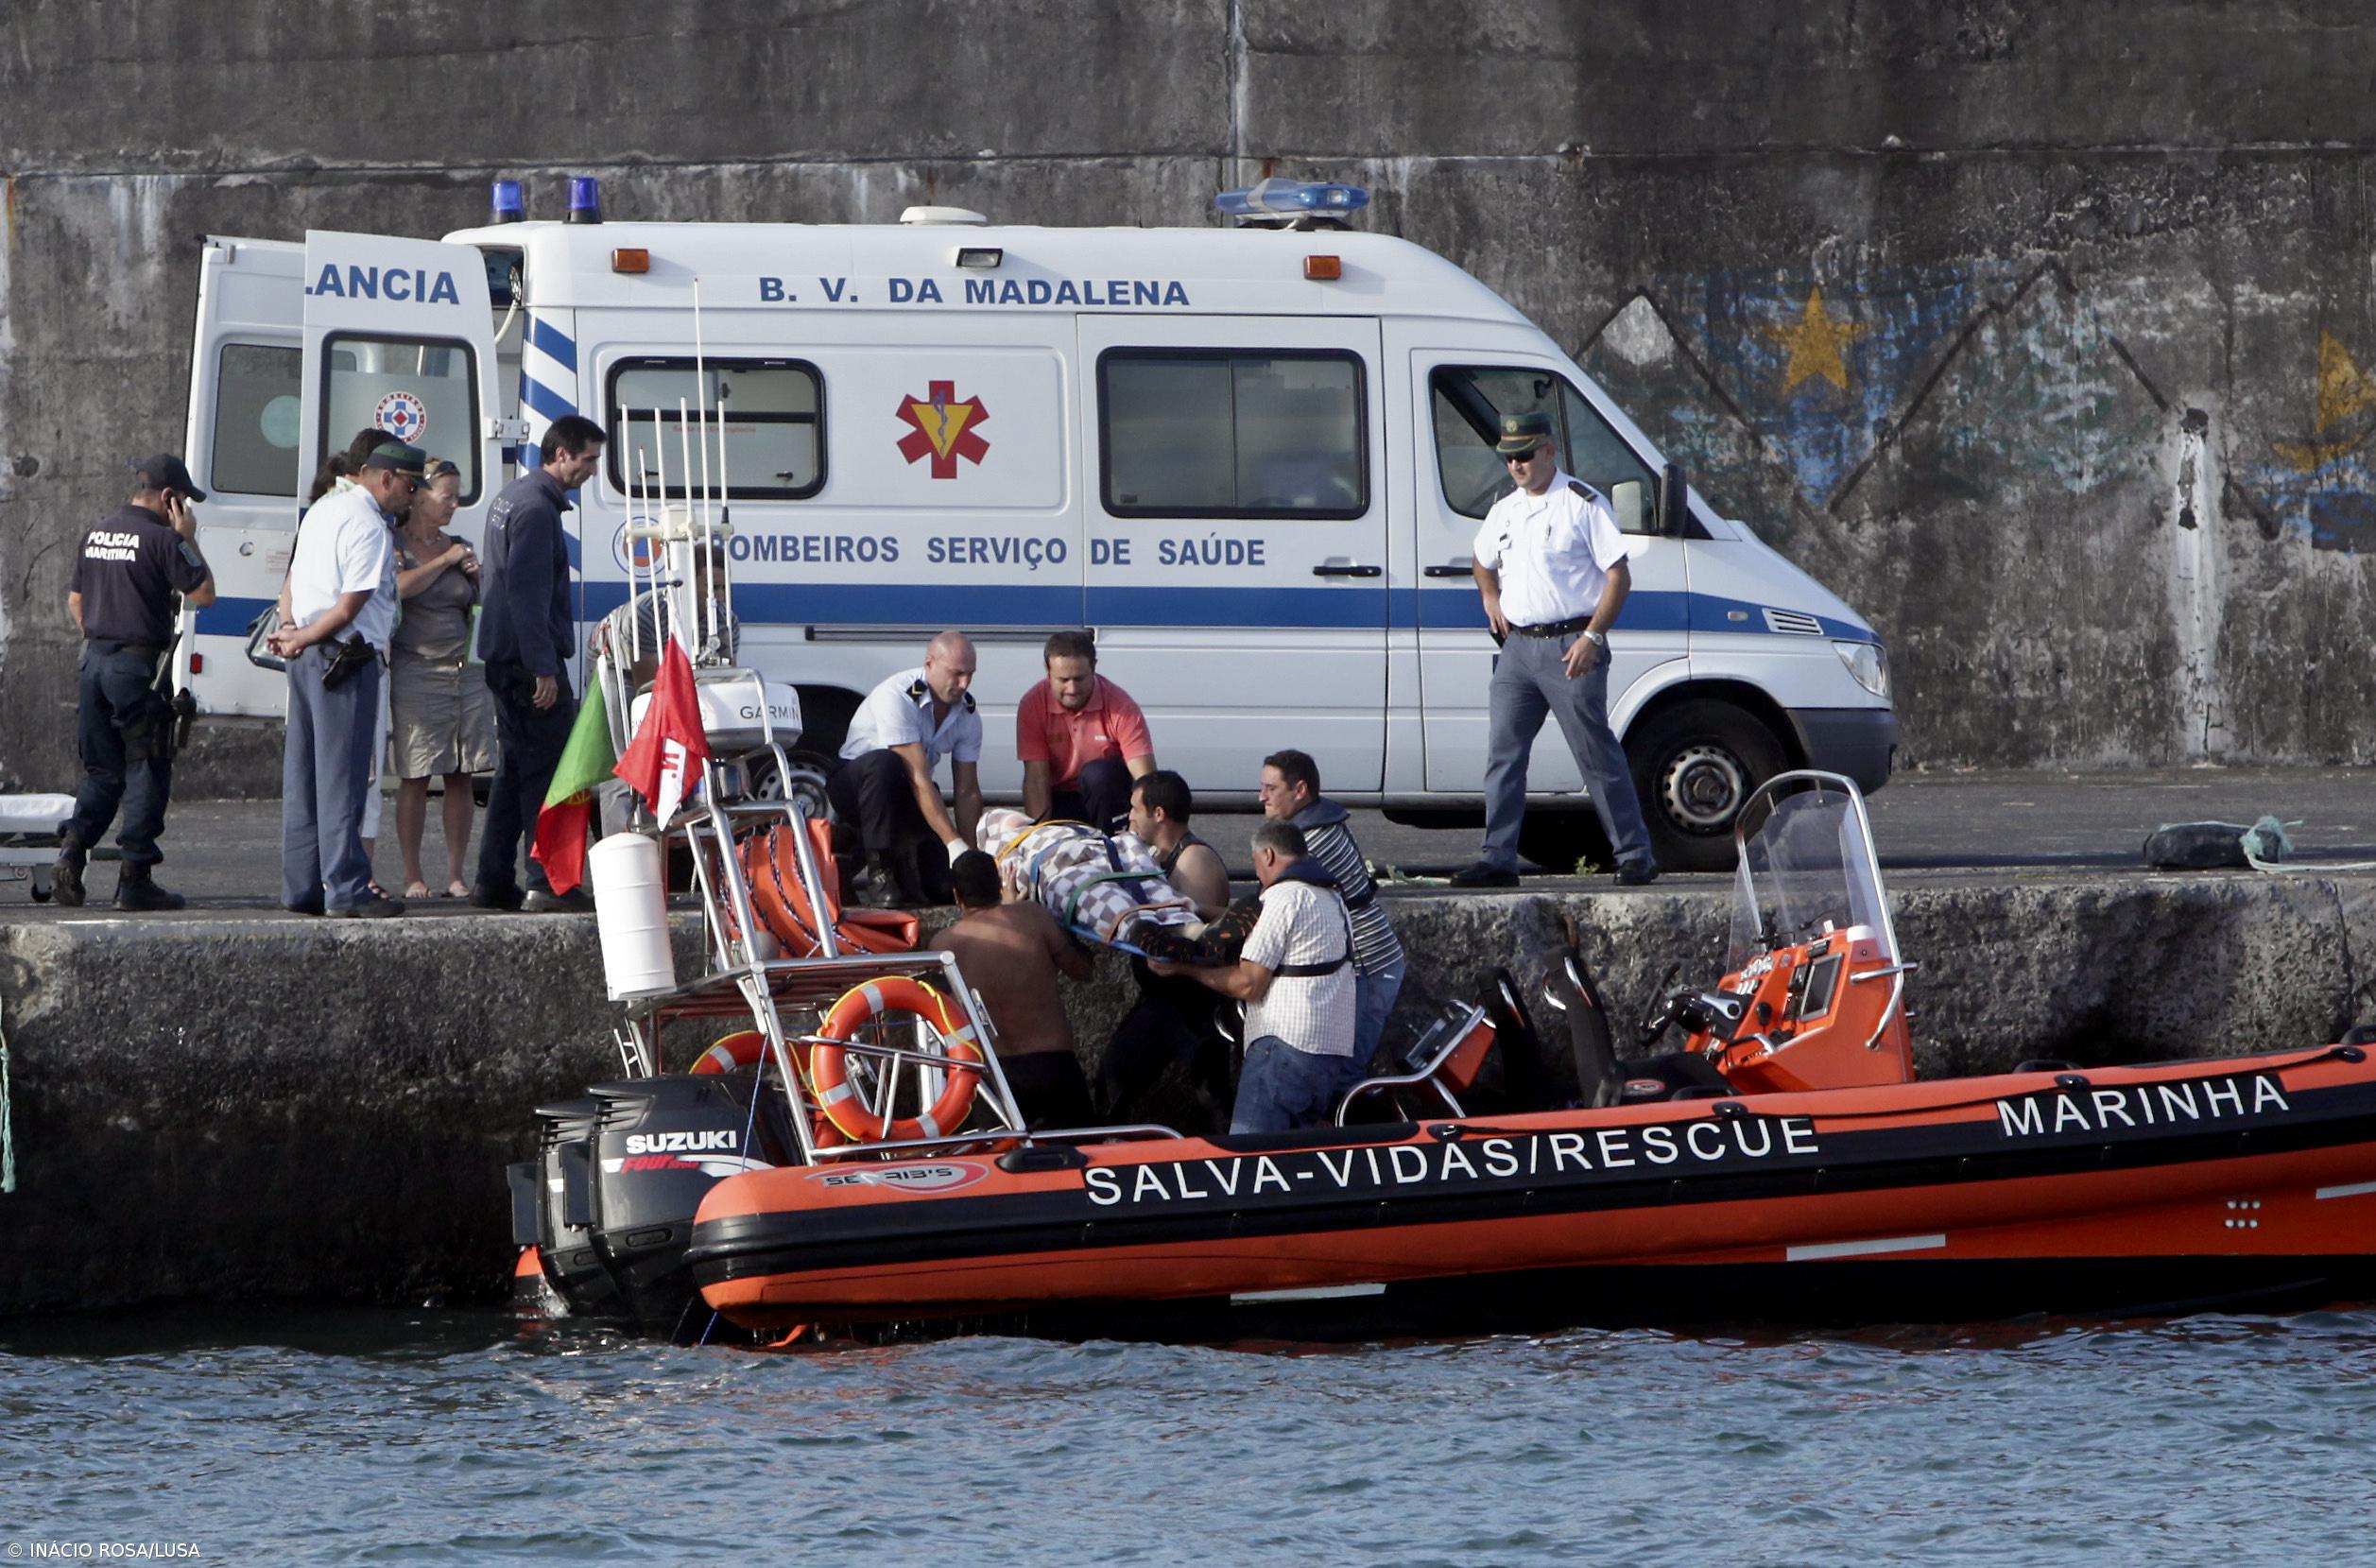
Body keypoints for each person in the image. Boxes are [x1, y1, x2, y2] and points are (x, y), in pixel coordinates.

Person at [1455, 408, 1659, 888]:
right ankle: (1498, 858)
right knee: (1503, 754)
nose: (1515, 467)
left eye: (1524, 456)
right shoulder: (1505, 508)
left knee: (1595, 753)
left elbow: (1618, 575)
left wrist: (1593, 636)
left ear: (1549, 451)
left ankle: (1635, 853)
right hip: (1519, 647)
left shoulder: (1582, 503)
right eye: (1508, 458)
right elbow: (1482, 561)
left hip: (1572, 644)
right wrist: (1490, 597)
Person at [55, 455, 217, 911]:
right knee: (147, 765)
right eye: (182, 500)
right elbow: (204, 594)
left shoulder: (95, 533)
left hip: (94, 664)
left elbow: (75, 602)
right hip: (136, 667)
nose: (184, 508)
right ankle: (135, 878)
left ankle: (72, 852)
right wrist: (188, 540)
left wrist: (102, 637)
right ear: (169, 497)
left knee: (103, 772)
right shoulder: (164, 539)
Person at [269, 442, 416, 918]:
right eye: (410, 486)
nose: (411, 497)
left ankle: (303, 886)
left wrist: (291, 631)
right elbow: (352, 602)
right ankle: (348, 887)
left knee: (305, 777)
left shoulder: (322, 510)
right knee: (343, 779)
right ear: (385, 478)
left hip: (307, 656)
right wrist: (305, 635)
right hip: (345, 659)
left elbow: (291, 579)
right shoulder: (368, 524)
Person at [474, 415, 607, 913]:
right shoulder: (536, 511)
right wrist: (544, 668)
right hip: (527, 665)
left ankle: (492, 879)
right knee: (548, 775)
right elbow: (526, 597)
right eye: (588, 459)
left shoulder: (515, 497)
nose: (593, 470)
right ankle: (546, 882)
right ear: (561, 455)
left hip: (507, 660)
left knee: (513, 771)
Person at [1151, 820, 1359, 1135]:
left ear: (1268, 855)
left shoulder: (1282, 898)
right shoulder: (1330, 898)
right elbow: (1251, 917)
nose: (1257, 874)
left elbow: (1248, 983)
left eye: (1256, 863)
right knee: (1294, 1158)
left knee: (1251, 1155)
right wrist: (1196, 908)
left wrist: (1182, 969)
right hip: (1326, 1055)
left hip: (1284, 1049)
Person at [1097, 770, 1233, 1120]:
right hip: (1161, 996)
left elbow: (1204, 942)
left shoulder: (1193, 862)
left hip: (1187, 1002)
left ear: (1158, 814)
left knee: (1211, 1094)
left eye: (1134, 809)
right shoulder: (1155, 856)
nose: (1129, 817)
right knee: (1113, 1080)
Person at [1259, 749, 1407, 1067]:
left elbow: (1270, 906)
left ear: (1300, 791)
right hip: (1362, 962)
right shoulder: (1319, 824)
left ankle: (1352, 1115)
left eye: (1271, 789)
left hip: (1369, 965)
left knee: (1343, 1069)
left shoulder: (1311, 843)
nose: (1262, 797)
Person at [388, 457, 493, 900]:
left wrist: (478, 577)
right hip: (416, 669)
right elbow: (397, 588)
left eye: (456, 496)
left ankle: (455, 872)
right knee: (414, 774)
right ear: (419, 495)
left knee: (461, 773)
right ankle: (412, 872)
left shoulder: (460, 546)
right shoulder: (395, 544)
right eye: (446, 495)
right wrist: (444, 561)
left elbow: (484, 607)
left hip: (465, 672)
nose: (454, 504)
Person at [938, 849, 1096, 1129]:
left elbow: (943, 1017)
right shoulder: (1033, 918)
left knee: (1001, 1162)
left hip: (993, 1075)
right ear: (999, 884)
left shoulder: (944, 945)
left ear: (956, 895)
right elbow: (1082, 970)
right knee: (1079, 1158)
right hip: (1053, 1066)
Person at [828, 630, 982, 905]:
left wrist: (968, 854)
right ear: (929, 663)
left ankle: (907, 869)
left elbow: (967, 789)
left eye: (970, 674)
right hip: (856, 785)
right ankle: (880, 871)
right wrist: (953, 842)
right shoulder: (898, 695)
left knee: (939, 888)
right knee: (885, 764)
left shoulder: (967, 714)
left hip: (906, 791)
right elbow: (917, 777)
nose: (964, 683)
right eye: (956, 673)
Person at [1015, 629, 1155, 829]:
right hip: (1060, 799)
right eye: (1063, 680)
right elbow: (1036, 780)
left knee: (1098, 774)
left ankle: (1113, 844)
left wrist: (1142, 834)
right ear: (1048, 671)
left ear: (1094, 667)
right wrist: (1041, 837)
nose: (1072, 689)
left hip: (1109, 797)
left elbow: (1145, 779)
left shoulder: (1121, 706)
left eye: (1079, 679)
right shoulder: (1032, 704)